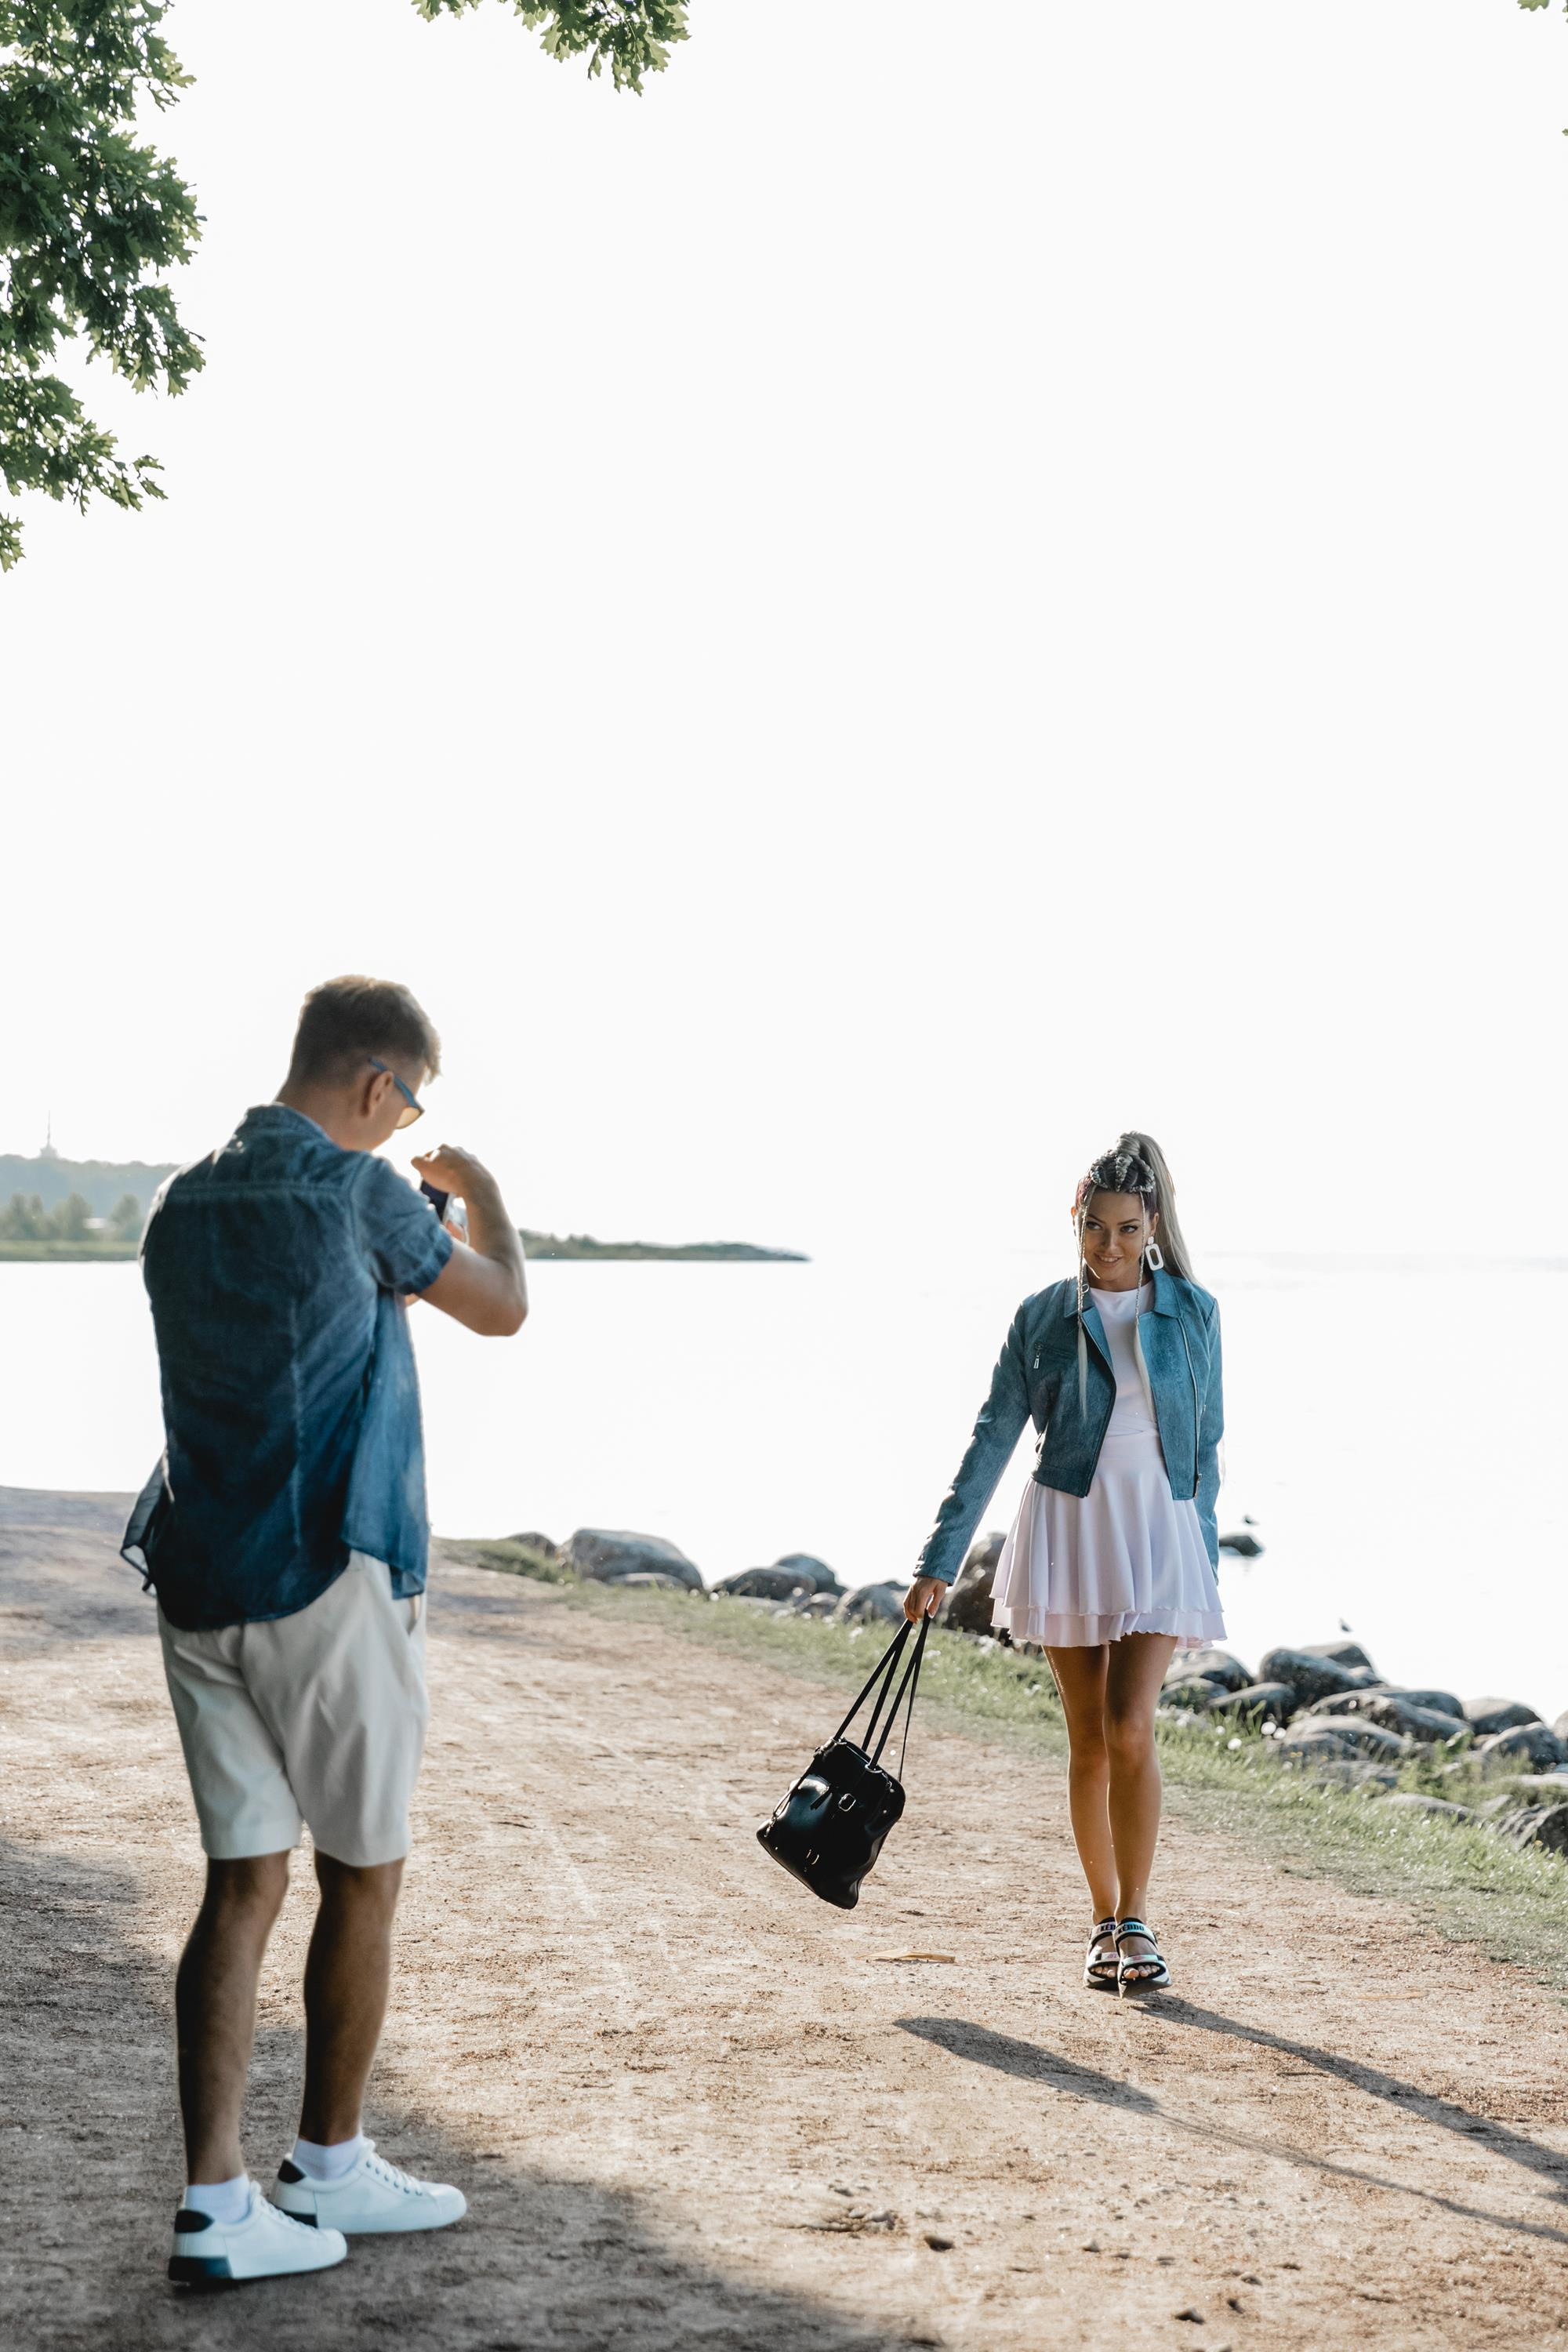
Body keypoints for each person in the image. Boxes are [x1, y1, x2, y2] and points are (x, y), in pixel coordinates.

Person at [122, 976, 528, 2283]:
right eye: (413, 1098)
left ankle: (215, 2204)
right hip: (328, 1577)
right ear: (376, 1086)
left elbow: (317, 1324)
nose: (407, 1117)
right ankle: (331, 2160)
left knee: (241, 1883)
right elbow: (503, 1304)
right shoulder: (359, 1194)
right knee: (365, 1870)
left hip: (198, 1580)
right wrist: (479, 1188)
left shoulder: (182, 1204)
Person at [903, 1133, 1223, 1995]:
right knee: (1088, 1741)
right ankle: (1100, 1923)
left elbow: (1207, 1448)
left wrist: (1206, 1560)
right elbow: (992, 1439)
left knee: (1130, 1727)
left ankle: (1138, 1917)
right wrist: (940, 1560)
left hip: (1158, 1530)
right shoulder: (1041, 1315)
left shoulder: (1192, 1311)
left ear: (1150, 1223)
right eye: (1094, 1228)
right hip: (1069, 1530)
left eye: (1124, 1228)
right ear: (1074, 1223)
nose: (1108, 1246)